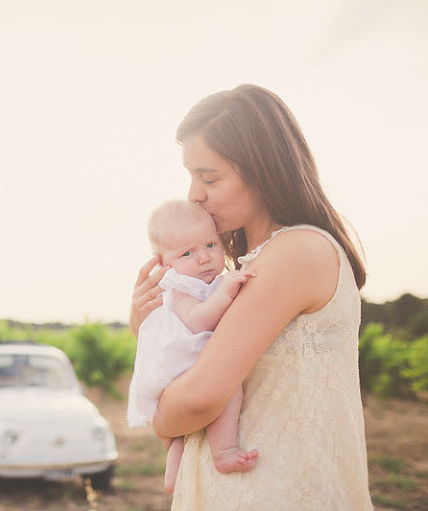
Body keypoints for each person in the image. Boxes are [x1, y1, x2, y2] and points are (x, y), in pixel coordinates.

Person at [129, 84, 372, 509]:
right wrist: (151, 328)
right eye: (190, 176)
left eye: (209, 177)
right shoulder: (247, 267)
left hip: (272, 491)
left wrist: (162, 414)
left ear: (262, 171)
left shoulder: (294, 252)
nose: (193, 194)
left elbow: (199, 399)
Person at [127, 200, 257, 494]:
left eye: (211, 244)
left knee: (180, 437)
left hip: (178, 365)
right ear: (164, 264)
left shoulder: (198, 280)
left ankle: (174, 477)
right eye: (187, 253)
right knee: (228, 388)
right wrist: (224, 294)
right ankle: (224, 451)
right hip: (180, 363)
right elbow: (199, 322)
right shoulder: (179, 287)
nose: (204, 258)